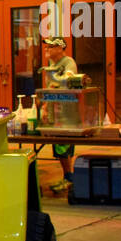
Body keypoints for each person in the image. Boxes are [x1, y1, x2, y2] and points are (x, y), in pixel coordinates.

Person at [41, 37, 78, 186]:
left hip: (66, 111)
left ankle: (69, 177)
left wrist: (55, 85)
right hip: (53, 111)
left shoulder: (69, 63)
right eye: (46, 47)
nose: (47, 49)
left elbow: (66, 81)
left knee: (64, 145)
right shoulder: (51, 64)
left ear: (60, 48)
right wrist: (44, 106)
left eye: (50, 47)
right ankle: (67, 175)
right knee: (58, 145)